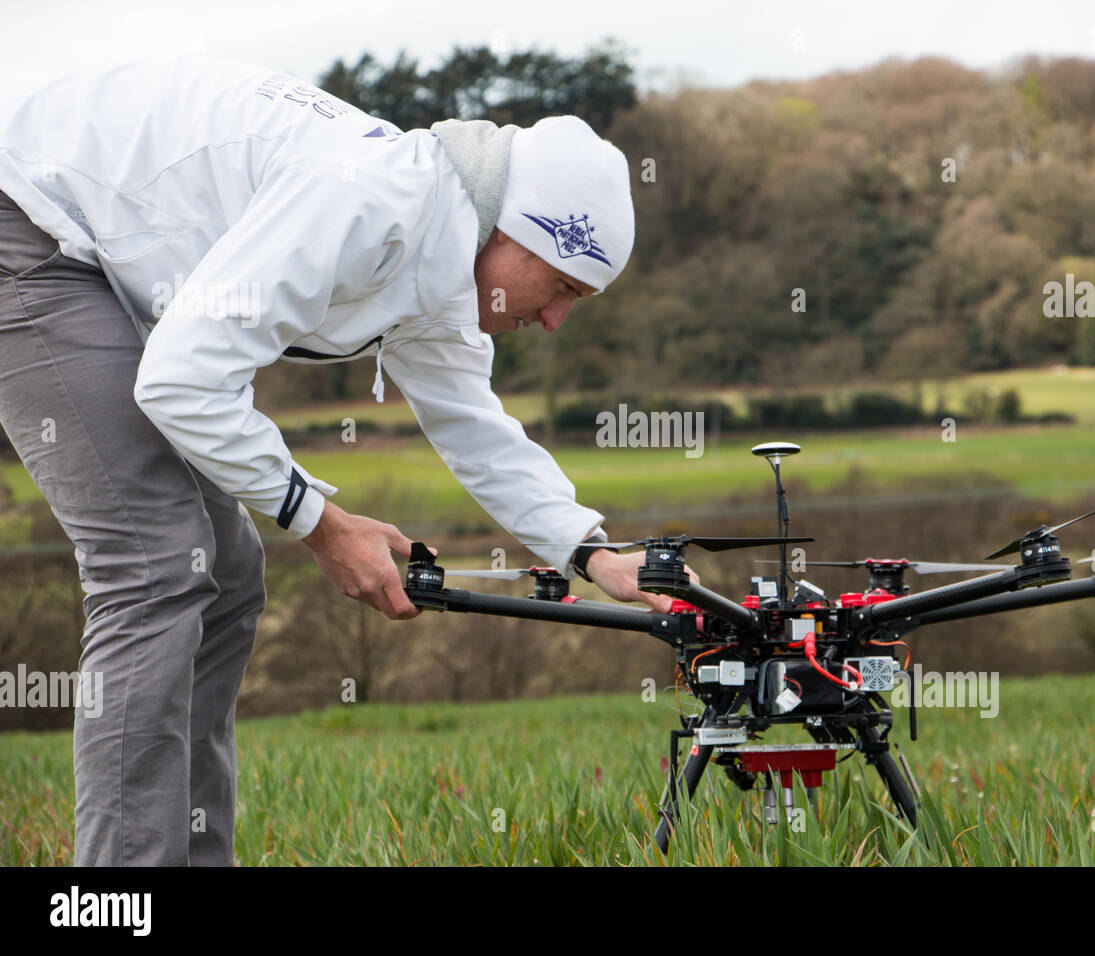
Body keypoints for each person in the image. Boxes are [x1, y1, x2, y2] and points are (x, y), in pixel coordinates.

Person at [0, 55, 677, 866]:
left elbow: (474, 427)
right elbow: (182, 380)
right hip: (28, 220)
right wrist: (323, 524)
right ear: (515, 233)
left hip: (92, 248)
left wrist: (593, 553)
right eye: (563, 286)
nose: (558, 319)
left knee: (224, 565)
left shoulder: (446, 255)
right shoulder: (368, 202)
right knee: (154, 561)